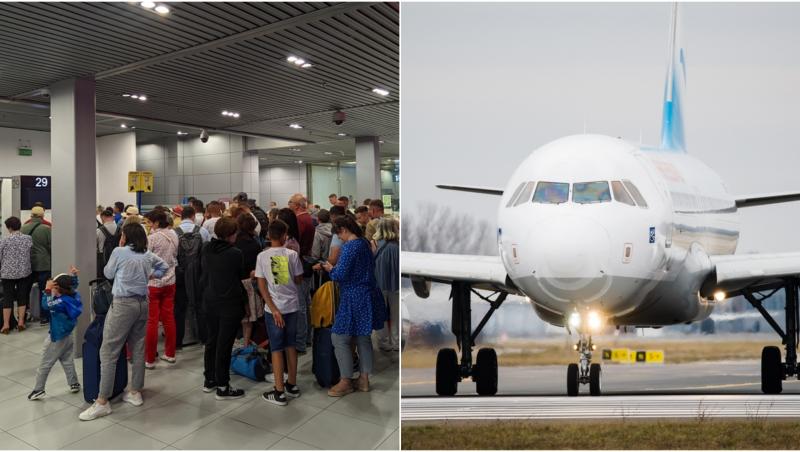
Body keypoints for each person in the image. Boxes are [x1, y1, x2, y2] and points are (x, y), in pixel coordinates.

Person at [79, 223, 168, 421]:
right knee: (137, 348)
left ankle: (102, 401)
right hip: (143, 304)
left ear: (125, 237)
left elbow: (108, 273)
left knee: (108, 350)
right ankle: (135, 392)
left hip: (122, 305)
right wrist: (152, 276)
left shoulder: (119, 252)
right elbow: (164, 266)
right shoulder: (146, 255)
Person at [321, 216, 384, 396]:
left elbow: (340, 274)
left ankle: (345, 380)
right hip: (369, 293)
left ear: (344, 230)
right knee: (363, 338)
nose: (339, 238)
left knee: (339, 338)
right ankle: (364, 380)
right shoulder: (365, 243)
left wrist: (329, 268)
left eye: (339, 234)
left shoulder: (349, 247)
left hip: (353, 295)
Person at [255, 219, 302, 406]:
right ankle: (292, 384)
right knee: (291, 345)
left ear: (268, 236)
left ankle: (279, 390)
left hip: (274, 309)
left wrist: (273, 309)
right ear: (284, 236)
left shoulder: (262, 257)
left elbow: (262, 285)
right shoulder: (292, 254)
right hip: (292, 306)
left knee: (276, 347)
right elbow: (298, 279)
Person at [200, 217, 247, 400]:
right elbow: (239, 275)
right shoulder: (235, 253)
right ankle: (223, 386)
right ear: (231, 234)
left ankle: (209, 379)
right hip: (229, 302)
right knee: (224, 344)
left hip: (210, 300)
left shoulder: (206, 249)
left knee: (211, 341)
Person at [28, 268, 82, 400]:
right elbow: (73, 284)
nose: (52, 289)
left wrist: (47, 290)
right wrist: (74, 276)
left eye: (54, 287)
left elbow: (46, 305)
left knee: (45, 364)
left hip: (57, 336)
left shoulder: (59, 302)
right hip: (68, 334)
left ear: (59, 289)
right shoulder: (73, 295)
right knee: (67, 360)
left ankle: (39, 389)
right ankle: (74, 383)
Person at [143, 210, 179, 369]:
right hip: (171, 280)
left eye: (149, 222)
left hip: (154, 283)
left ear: (156, 223)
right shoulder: (174, 234)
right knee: (169, 318)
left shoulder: (151, 239)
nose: (147, 225)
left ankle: (150, 359)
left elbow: (145, 259)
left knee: (152, 320)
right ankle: (170, 354)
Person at [288, 194, 315, 351]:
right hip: (306, 263)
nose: (289, 205)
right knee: (305, 302)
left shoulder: (300, 220)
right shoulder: (309, 219)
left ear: (297, 205)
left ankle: (301, 341)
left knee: (301, 305)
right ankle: (307, 337)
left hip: (300, 265)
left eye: (290, 202)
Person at [234, 214, 263, 347]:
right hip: (249, 282)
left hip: (234, 282)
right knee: (249, 318)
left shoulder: (234, 242)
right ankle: (246, 345)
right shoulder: (255, 244)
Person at [0, 217, 33, 333]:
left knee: (7, 298)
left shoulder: (4, 240)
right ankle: (21, 323)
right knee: (22, 296)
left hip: (7, 273)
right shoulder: (28, 239)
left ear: (9, 228)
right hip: (24, 272)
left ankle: (6, 325)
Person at [22, 206, 52, 326]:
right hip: (43, 264)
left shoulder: (23, 228)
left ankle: (24, 315)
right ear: (42, 216)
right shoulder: (46, 229)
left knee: (25, 290)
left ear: (31, 215)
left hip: (27, 263)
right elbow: (51, 246)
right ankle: (44, 317)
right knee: (43, 290)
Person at [373, 218, 400, 351]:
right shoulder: (397, 247)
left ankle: (383, 342)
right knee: (396, 315)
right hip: (395, 286)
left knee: (381, 314)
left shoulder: (374, 244)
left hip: (378, 284)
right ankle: (396, 342)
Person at [96, 209, 119, 279]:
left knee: (102, 281)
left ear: (102, 217)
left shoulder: (99, 231)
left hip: (102, 260)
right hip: (118, 259)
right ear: (112, 217)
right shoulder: (120, 229)